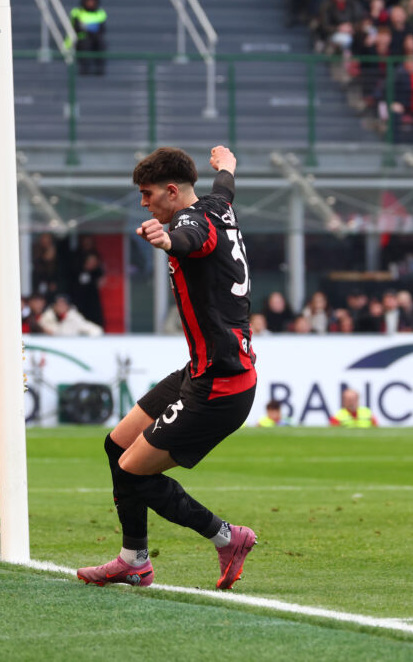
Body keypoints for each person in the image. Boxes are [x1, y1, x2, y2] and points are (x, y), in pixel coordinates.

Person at [77, 146, 257, 590]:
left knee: (134, 468)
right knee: (116, 445)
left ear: (172, 191)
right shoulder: (215, 204)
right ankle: (133, 559)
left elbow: (192, 239)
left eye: (147, 194)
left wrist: (167, 240)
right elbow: (225, 188)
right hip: (199, 371)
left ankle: (226, 536)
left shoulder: (191, 223)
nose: (144, 202)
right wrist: (227, 166)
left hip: (221, 386)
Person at [70, 0, 107, 76]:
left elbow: (102, 29)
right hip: (82, 39)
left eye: (92, 1)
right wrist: (91, 29)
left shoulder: (100, 13)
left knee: (101, 43)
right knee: (85, 43)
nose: (90, 3)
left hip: (95, 39)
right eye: (89, 1)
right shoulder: (77, 12)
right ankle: (84, 68)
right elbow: (77, 28)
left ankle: (100, 69)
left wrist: (86, 27)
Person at [38, 295, 103, 337]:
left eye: (63, 304)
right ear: (54, 306)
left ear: (68, 306)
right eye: (58, 304)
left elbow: (96, 330)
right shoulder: (45, 318)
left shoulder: (74, 318)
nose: (61, 307)